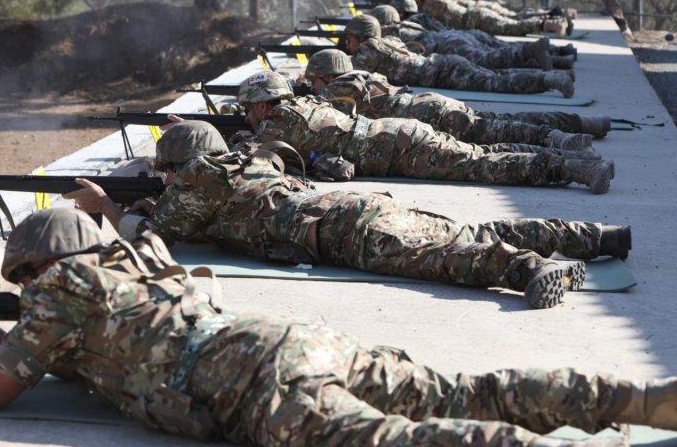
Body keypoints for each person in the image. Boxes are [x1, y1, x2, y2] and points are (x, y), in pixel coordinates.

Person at [0, 208, 658, 447]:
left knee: (390, 446)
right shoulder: (133, 270)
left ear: (36, 268)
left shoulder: (59, 289)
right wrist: (11, 342)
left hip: (257, 385)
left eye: (23, 280)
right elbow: (93, 349)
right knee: (456, 389)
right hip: (289, 338)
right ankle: (635, 396)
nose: (25, 294)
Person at [68, 121, 630, 309]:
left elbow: (150, 241)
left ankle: (525, 269)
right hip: (348, 208)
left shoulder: (193, 181)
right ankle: (595, 236)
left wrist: (107, 208)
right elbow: (188, 211)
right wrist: (152, 203)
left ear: (176, 164)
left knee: (439, 255)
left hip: (336, 230)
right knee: (465, 230)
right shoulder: (244, 160)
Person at [238, 71, 615, 194]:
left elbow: (248, 157)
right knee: (481, 152)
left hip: (397, 149)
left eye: (247, 110)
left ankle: (570, 170)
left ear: (260, 105)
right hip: (397, 133)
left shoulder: (277, 124)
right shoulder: (305, 106)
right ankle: (569, 156)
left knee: (484, 166)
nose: (248, 119)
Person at [303, 49, 610, 150]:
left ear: (328, 77)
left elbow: (313, 113)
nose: (314, 87)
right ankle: (584, 123)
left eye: (315, 81)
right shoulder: (362, 77)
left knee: (503, 131)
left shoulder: (337, 91)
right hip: (430, 103)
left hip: (432, 117)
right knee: (502, 122)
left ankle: (558, 137)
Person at [345, 15, 576, 98]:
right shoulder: (389, 41)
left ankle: (550, 79)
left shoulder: (366, 53)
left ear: (362, 37)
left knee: (498, 82)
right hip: (445, 63)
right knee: (497, 74)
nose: (348, 44)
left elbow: (346, 74)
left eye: (350, 38)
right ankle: (555, 76)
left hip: (444, 72)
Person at [369, 5, 573, 72]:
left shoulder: (390, 35)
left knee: (490, 61)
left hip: (448, 43)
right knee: (500, 49)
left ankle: (535, 51)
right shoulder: (412, 22)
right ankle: (557, 55)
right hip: (457, 35)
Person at [414, 0, 571, 37]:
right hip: (478, 11)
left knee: (513, 26)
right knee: (516, 18)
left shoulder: (430, 4)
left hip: (476, 19)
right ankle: (555, 17)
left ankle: (550, 24)